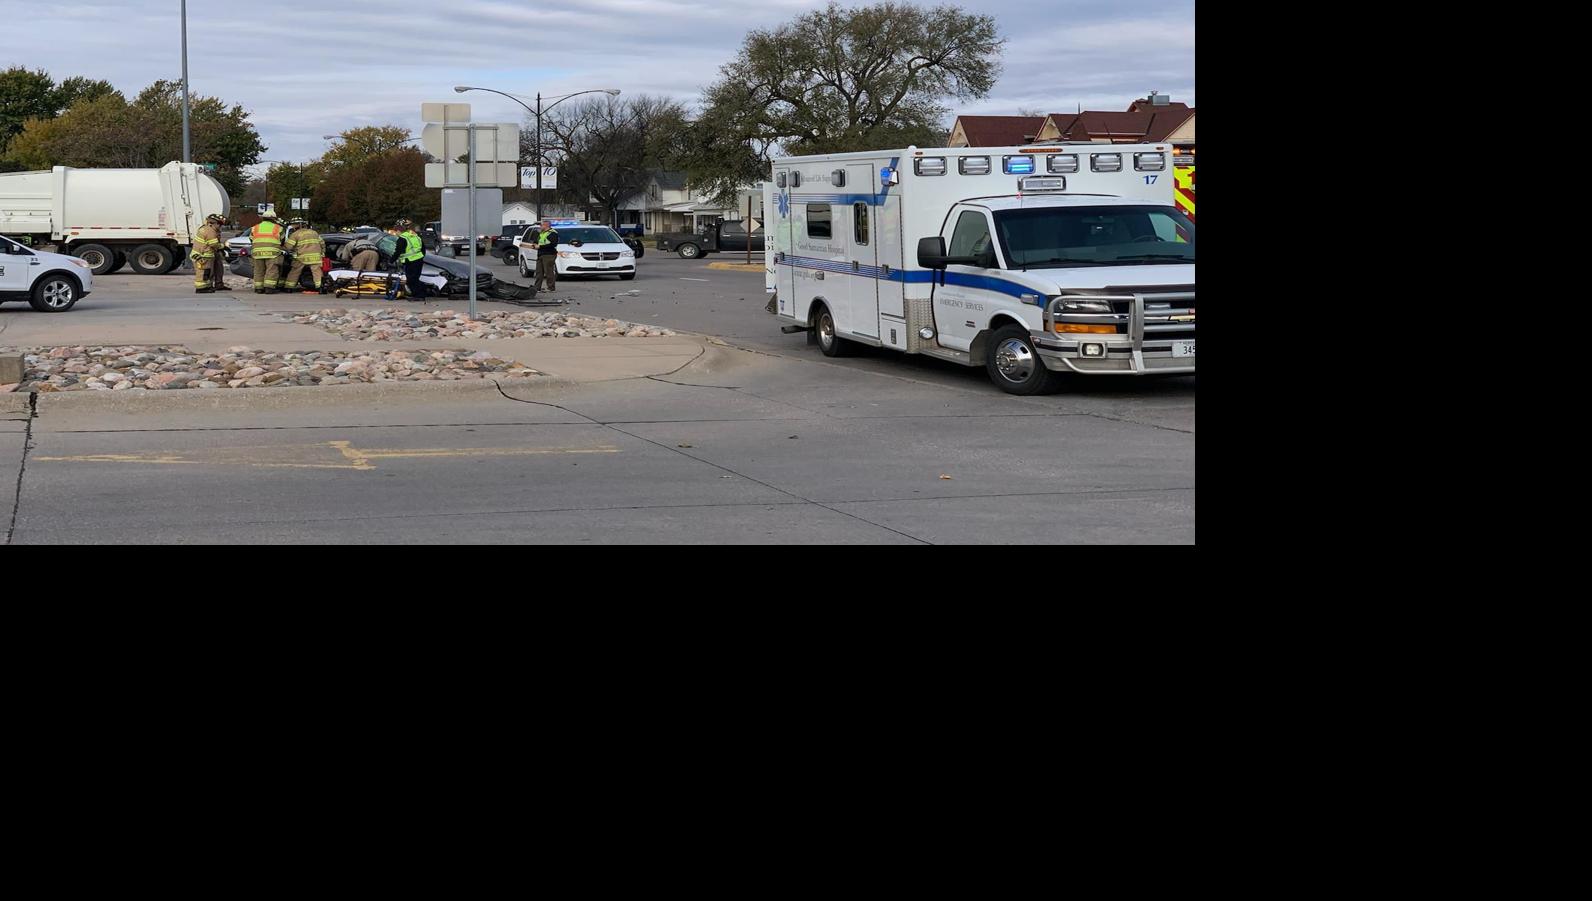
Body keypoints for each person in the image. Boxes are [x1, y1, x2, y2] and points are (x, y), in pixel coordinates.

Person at [279, 218, 326, 293]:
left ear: (298, 225)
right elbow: (322, 243)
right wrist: (322, 253)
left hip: (301, 257)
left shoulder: (295, 234)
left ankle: (288, 287)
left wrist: (281, 247)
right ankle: (320, 287)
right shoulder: (314, 233)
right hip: (315, 256)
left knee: (295, 271)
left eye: (294, 225)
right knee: (317, 272)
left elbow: (288, 247)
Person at [191, 212, 229, 294]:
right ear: (213, 223)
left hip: (204, 254)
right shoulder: (209, 231)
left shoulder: (208, 229)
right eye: (219, 224)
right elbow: (213, 244)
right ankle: (201, 288)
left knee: (207, 272)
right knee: (203, 272)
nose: (220, 226)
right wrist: (223, 247)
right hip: (202, 255)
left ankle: (207, 286)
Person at [249, 213, 285, 293]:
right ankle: (269, 288)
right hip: (272, 252)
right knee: (271, 270)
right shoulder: (278, 228)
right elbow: (282, 240)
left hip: (257, 252)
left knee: (258, 270)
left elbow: (251, 239)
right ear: (273, 219)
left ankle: (259, 288)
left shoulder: (255, 227)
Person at [396, 219, 428, 301]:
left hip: (411, 261)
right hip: (418, 260)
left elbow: (398, 251)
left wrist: (392, 260)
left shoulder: (403, 238)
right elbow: (423, 249)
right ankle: (420, 294)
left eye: (397, 229)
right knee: (415, 278)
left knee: (411, 279)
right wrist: (420, 257)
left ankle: (419, 296)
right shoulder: (415, 236)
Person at [532, 219, 560, 291]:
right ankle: (537, 288)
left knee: (548, 272)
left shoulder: (553, 233)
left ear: (546, 225)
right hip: (541, 254)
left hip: (549, 254)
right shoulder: (542, 233)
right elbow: (538, 241)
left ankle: (551, 288)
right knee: (539, 272)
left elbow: (553, 244)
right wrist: (534, 244)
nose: (540, 226)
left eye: (541, 225)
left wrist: (540, 247)